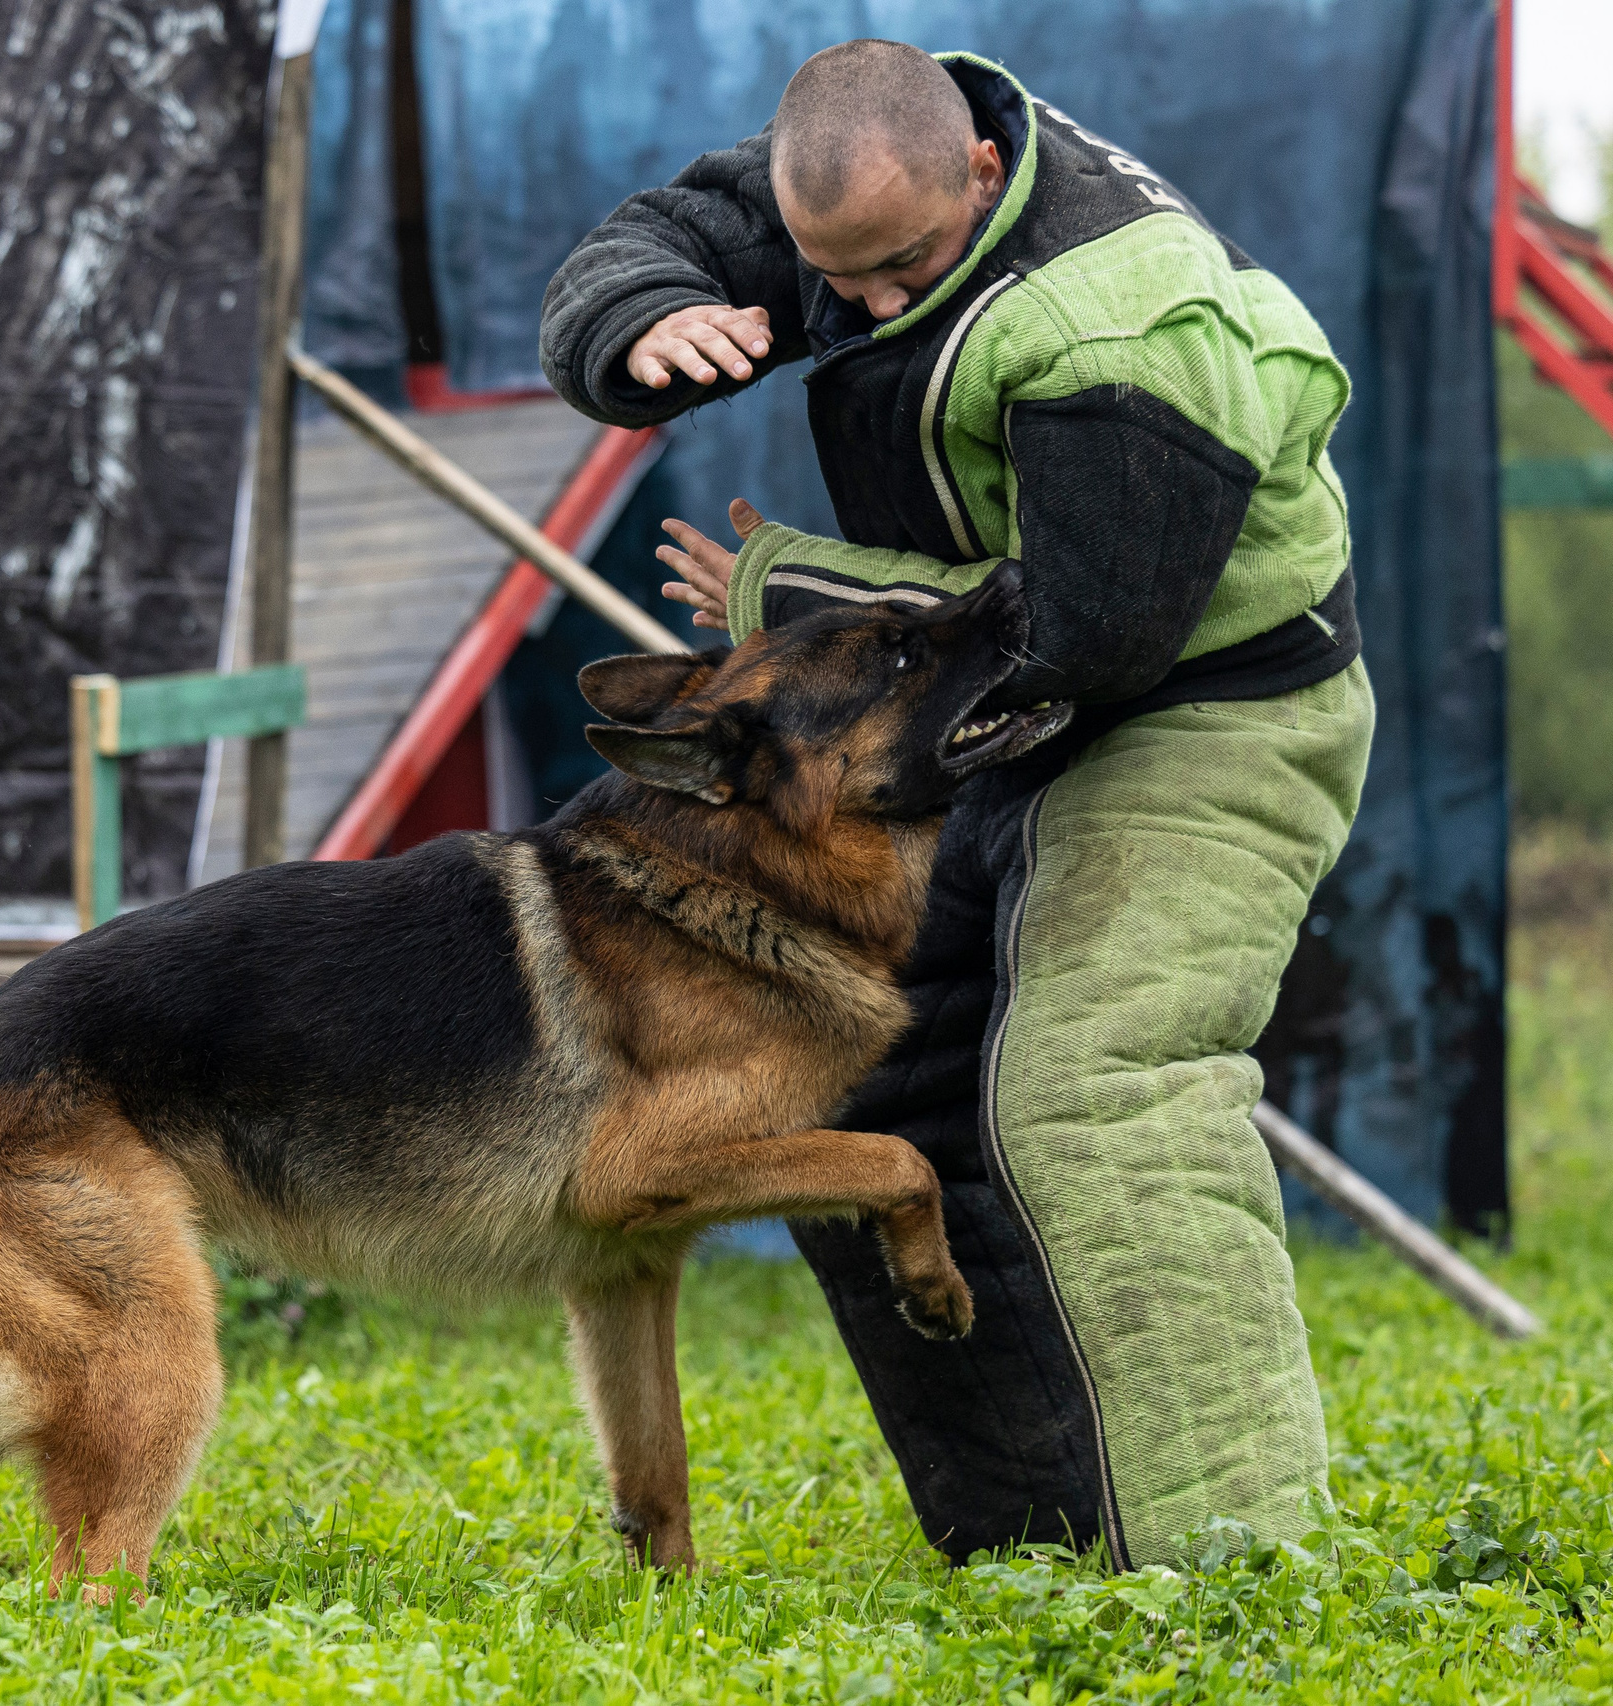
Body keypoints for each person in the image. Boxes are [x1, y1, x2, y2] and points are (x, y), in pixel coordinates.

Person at [540, 39, 1370, 1570]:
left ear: (982, 174)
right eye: (830, 276)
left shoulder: (1122, 335)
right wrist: (645, 320)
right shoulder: (870, 178)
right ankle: (1037, 1536)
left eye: (900, 270)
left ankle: (1242, 1558)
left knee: (1099, 1085)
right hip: (989, 719)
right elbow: (658, 235)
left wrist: (789, 590)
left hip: (1204, 707)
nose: (864, 305)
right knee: (859, 1080)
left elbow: (1088, 634)